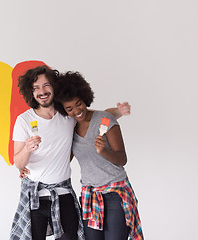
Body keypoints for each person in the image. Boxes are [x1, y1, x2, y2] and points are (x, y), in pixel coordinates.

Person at [10, 65, 130, 240]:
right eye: (36, 88)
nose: (42, 91)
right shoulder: (24, 120)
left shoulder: (67, 115)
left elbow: (95, 116)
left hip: (63, 194)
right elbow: (18, 163)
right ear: (31, 92)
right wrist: (27, 149)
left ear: (54, 87)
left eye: (46, 85)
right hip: (35, 197)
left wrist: (118, 111)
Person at [53, 71, 143, 240]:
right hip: (90, 196)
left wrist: (104, 152)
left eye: (78, 104)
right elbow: (64, 159)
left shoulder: (105, 120)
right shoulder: (70, 129)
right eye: (69, 108)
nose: (76, 111)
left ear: (84, 98)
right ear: (64, 110)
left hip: (115, 194)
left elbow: (122, 159)